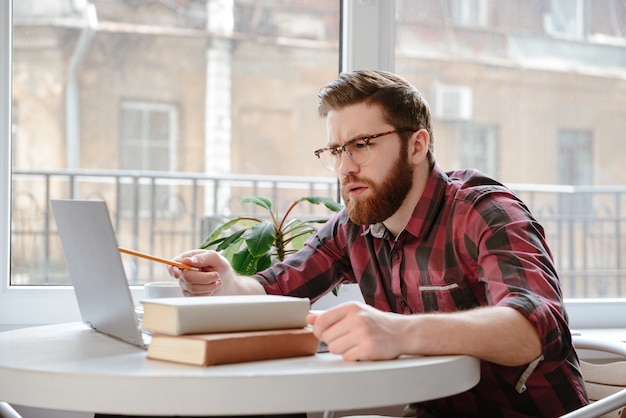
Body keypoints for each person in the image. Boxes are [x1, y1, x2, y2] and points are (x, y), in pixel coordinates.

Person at [169, 70, 588, 417]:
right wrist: (226, 281)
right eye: (335, 150)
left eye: (362, 146)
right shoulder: (356, 223)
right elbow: (274, 288)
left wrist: (396, 331)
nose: (345, 167)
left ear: (416, 145)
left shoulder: (483, 210)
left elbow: (534, 329)